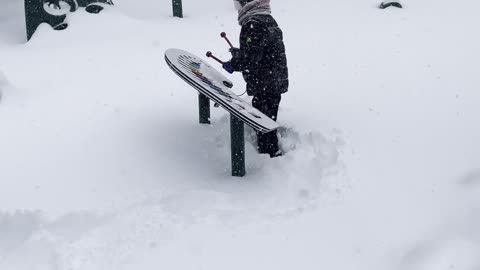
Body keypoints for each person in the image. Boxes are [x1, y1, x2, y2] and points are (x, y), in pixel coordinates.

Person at [223, 0, 289, 158]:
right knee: (267, 118)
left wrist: (235, 63)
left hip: (265, 83)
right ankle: (270, 151)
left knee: (263, 123)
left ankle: (271, 158)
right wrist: (241, 54)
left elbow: (252, 58)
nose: (237, 9)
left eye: (238, 4)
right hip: (273, 80)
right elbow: (259, 50)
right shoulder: (266, 19)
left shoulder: (253, 24)